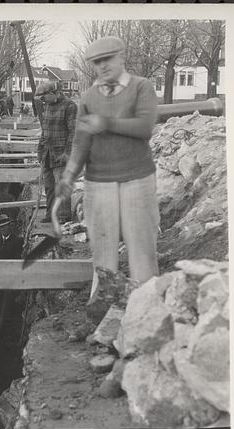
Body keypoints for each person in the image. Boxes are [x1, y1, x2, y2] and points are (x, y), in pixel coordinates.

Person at [56, 36, 159, 317]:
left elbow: (144, 127)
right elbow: (80, 142)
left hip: (137, 178)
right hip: (98, 183)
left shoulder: (142, 87)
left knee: (141, 247)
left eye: (107, 60)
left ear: (121, 58)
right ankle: (101, 312)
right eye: (97, 63)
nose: (102, 66)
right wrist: (68, 176)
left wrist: (106, 123)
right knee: (102, 250)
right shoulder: (88, 98)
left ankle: (147, 311)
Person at [36, 81, 77, 223]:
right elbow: (45, 130)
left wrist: (67, 153)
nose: (42, 101)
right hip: (48, 153)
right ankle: (50, 214)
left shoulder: (69, 106)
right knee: (49, 187)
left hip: (60, 154)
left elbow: (73, 132)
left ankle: (64, 216)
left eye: (43, 98)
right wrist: (40, 149)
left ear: (52, 93)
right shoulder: (47, 105)